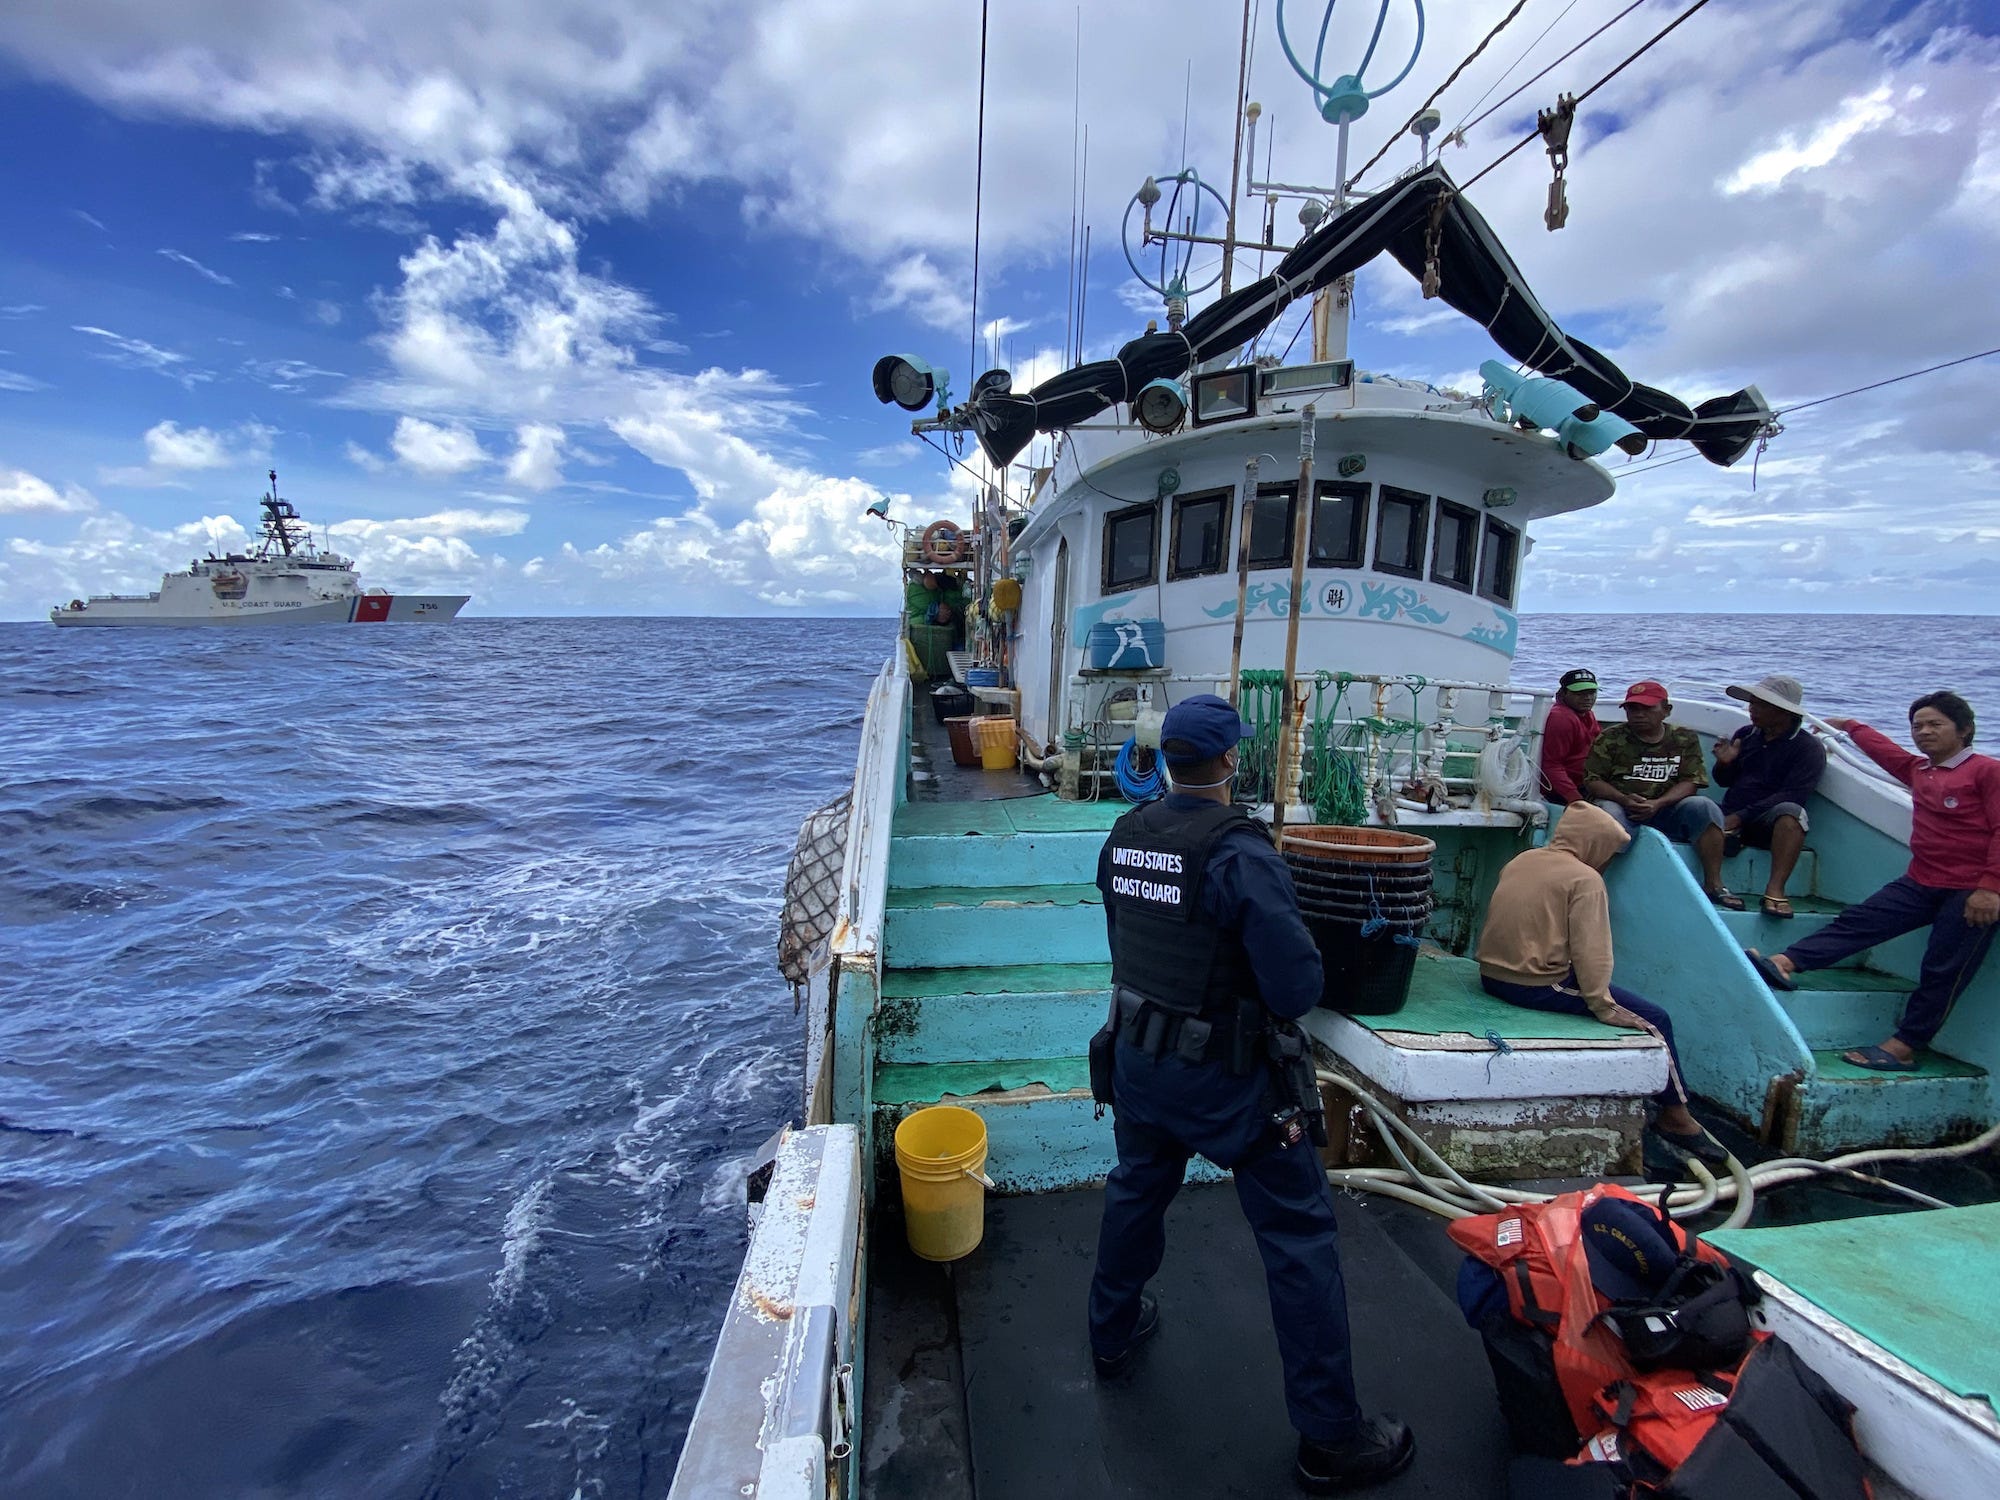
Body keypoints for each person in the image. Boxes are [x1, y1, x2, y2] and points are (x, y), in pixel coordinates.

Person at [1089, 694, 1414, 1492]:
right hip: (1229, 1082)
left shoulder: (1125, 835)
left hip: (1139, 1059)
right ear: (1233, 761)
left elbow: (1127, 943)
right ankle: (1332, 1438)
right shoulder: (1240, 852)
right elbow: (1295, 984)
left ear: (1165, 759)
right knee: (1300, 1239)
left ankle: (1112, 1328)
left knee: (1136, 1188)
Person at [1748, 692, 2000, 1071]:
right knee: (1860, 921)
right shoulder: (1921, 770)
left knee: (1943, 969)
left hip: (1970, 892)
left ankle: (1904, 1047)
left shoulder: (1986, 771)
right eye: (1918, 726)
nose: (1924, 732)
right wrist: (1850, 726)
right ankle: (1786, 963)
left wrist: (1990, 888)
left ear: (1964, 730)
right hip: (1922, 880)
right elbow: (1887, 753)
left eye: (1936, 725)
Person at [1476, 801, 1725, 1162]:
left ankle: (1674, 1110)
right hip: (1534, 983)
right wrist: (1603, 1005)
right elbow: (1592, 954)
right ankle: (1677, 1117)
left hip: (1490, 976)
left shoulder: (1523, 859)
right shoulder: (1585, 879)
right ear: (1594, 845)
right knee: (1657, 1019)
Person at [1582, 681, 1734, 907]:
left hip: (1667, 808)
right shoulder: (1611, 738)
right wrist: (1624, 799)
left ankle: (1714, 884)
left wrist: (1659, 803)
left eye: (1647, 709)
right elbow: (1592, 780)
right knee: (1608, 814)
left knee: (1705, 807)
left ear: (1666, 710)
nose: (1639, 715)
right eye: (1633, 709)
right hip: (1623, 805)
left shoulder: (1684, 738)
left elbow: (1691, 781)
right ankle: (1590, 886)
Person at [1711, 674, 1826, 918]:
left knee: (1792, 814)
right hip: (1731, 812)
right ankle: (1716, 880)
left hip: (1765, 821)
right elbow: (1725, 781)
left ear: (1783, 711)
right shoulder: (1747, 734)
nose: (1752, 709)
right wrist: (1724, 764)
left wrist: (1740, 817)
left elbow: (1795, 794)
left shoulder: (1808, 748)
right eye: (1752, 703)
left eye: (1760, 705)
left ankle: (1775, 890)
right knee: (1696, 808)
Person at [1539, 668, 1602, 805]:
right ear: (1564, 693)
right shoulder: (1562, 718)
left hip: (1588, 782)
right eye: (1580, 693)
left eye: (1592, 692)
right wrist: (1575, 799)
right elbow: (1551, 765)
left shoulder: (1586, 714)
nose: (1588, 698)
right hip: (1564, 791)